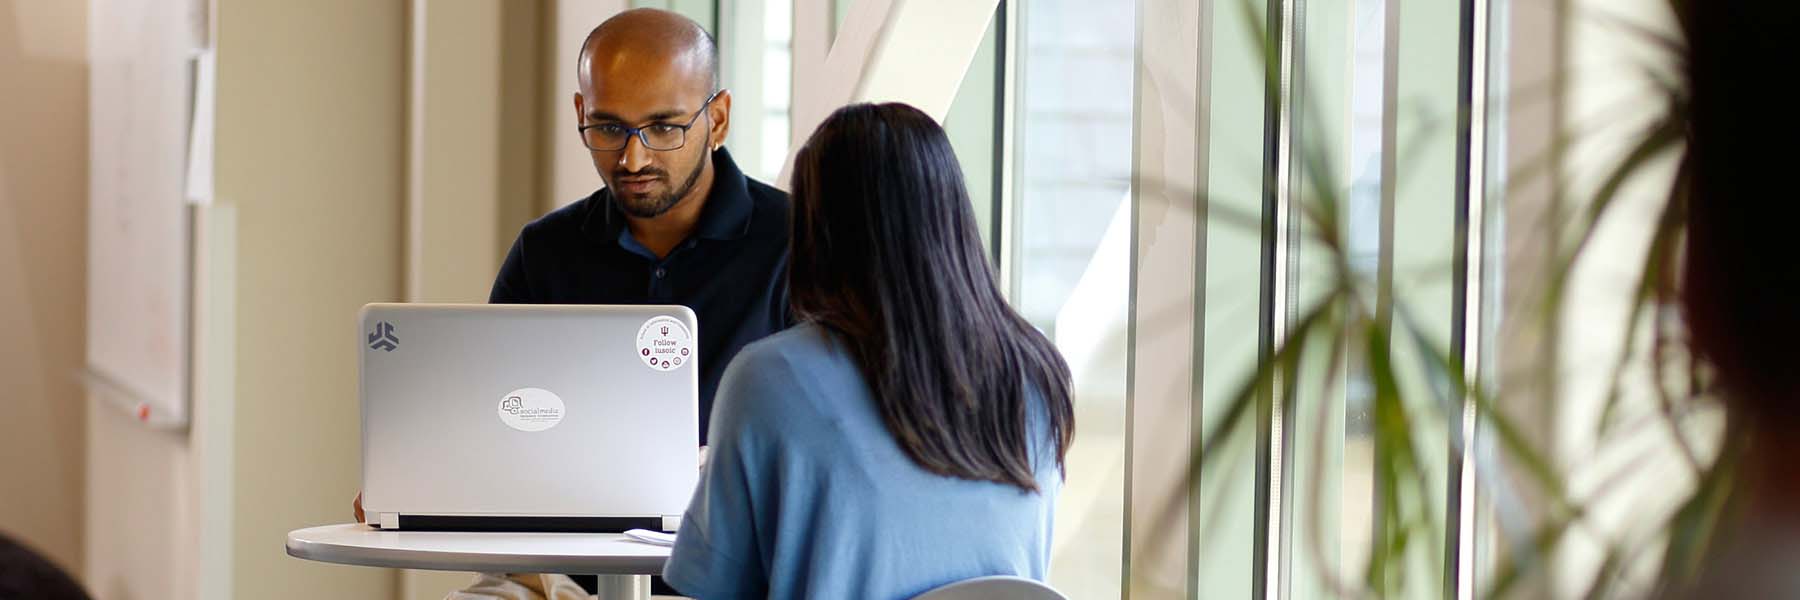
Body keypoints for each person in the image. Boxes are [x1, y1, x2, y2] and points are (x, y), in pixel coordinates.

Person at [356, 8, 790, 596]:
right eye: (609, 128)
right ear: (581, 113)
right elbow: (484, 423)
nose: (632, 160)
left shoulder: (797, 244)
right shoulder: (546, 251)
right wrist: (421, 483)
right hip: (560, 575)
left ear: (717, 120)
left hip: (736, 574)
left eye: (664, 128)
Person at [663, 103, 1076, 599]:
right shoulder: (1036, 372)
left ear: (818, 230)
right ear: (952, 215)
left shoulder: (770, 378)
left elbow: (708, 588)